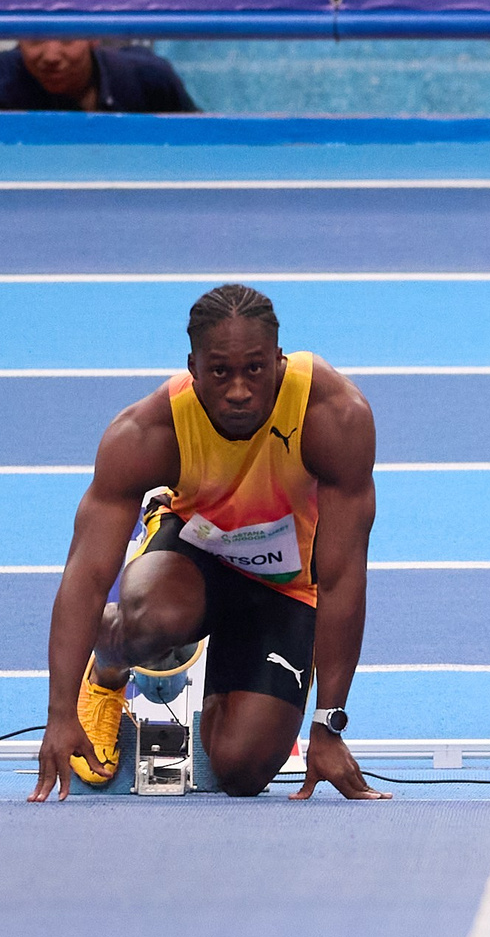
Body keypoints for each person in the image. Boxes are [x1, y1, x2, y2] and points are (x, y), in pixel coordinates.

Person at [31, 285, 386, 802]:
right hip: (194, 555)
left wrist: (328, 728)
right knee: (151, 618)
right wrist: (59, 714)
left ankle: (235, 674)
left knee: (242, 772)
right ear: (193, 367)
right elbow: (86, 578)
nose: (239, 390)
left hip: (284, 585)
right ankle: (107, 672)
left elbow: (342, 577)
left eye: (255, 370)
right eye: (220, 372)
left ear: (279, 361)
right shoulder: (147, 432)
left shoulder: (333, 417)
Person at [0, 39, 199, 113]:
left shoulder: (150, 77)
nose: (50, 55)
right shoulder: (3, 78)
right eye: (36, 37)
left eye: (67, 37)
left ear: (93, 36)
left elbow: (203, 147)